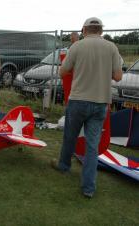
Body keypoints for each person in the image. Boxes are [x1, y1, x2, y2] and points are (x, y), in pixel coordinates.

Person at [51, 17, 123, 198]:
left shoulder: (77, 46)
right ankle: (89, 188)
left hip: (78, 100)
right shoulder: (111, 47)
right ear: (101, 30)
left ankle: (64, 165)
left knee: (70, 135)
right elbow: (118, 77)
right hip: (100, 103)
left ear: (84, 30)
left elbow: (62, 71)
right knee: (92, 146)